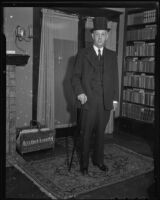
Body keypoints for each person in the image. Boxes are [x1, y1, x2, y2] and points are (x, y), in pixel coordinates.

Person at [71, 17, 119, 175]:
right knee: (85, 135)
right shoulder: (83, 53)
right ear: (92, 36)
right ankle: (84, 165)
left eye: (103, 34)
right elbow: (75, 77)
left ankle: (99, 161)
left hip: (105, 102)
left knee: (100, 134)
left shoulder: (112, 56)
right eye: (97, 34)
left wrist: (115, 99)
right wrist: (80, 92)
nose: (100, 37)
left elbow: (115, 78)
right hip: (88, 101)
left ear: (107, 36)